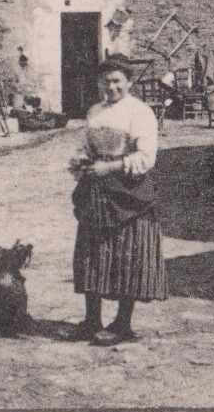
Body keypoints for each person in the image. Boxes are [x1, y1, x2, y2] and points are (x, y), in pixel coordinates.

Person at [68, 54, 166, 345]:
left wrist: (110, 167)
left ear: (129, 82)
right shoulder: (95, 111)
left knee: (127, 254)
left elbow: (146, 157)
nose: (111, 87)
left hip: (127, 192)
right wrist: (81, 161)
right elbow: (84, 146)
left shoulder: (140, 112)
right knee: (92, 253)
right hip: (96, 190)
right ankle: (92, 319)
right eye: (106, 81)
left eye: (117, 81)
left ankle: (122, 323)